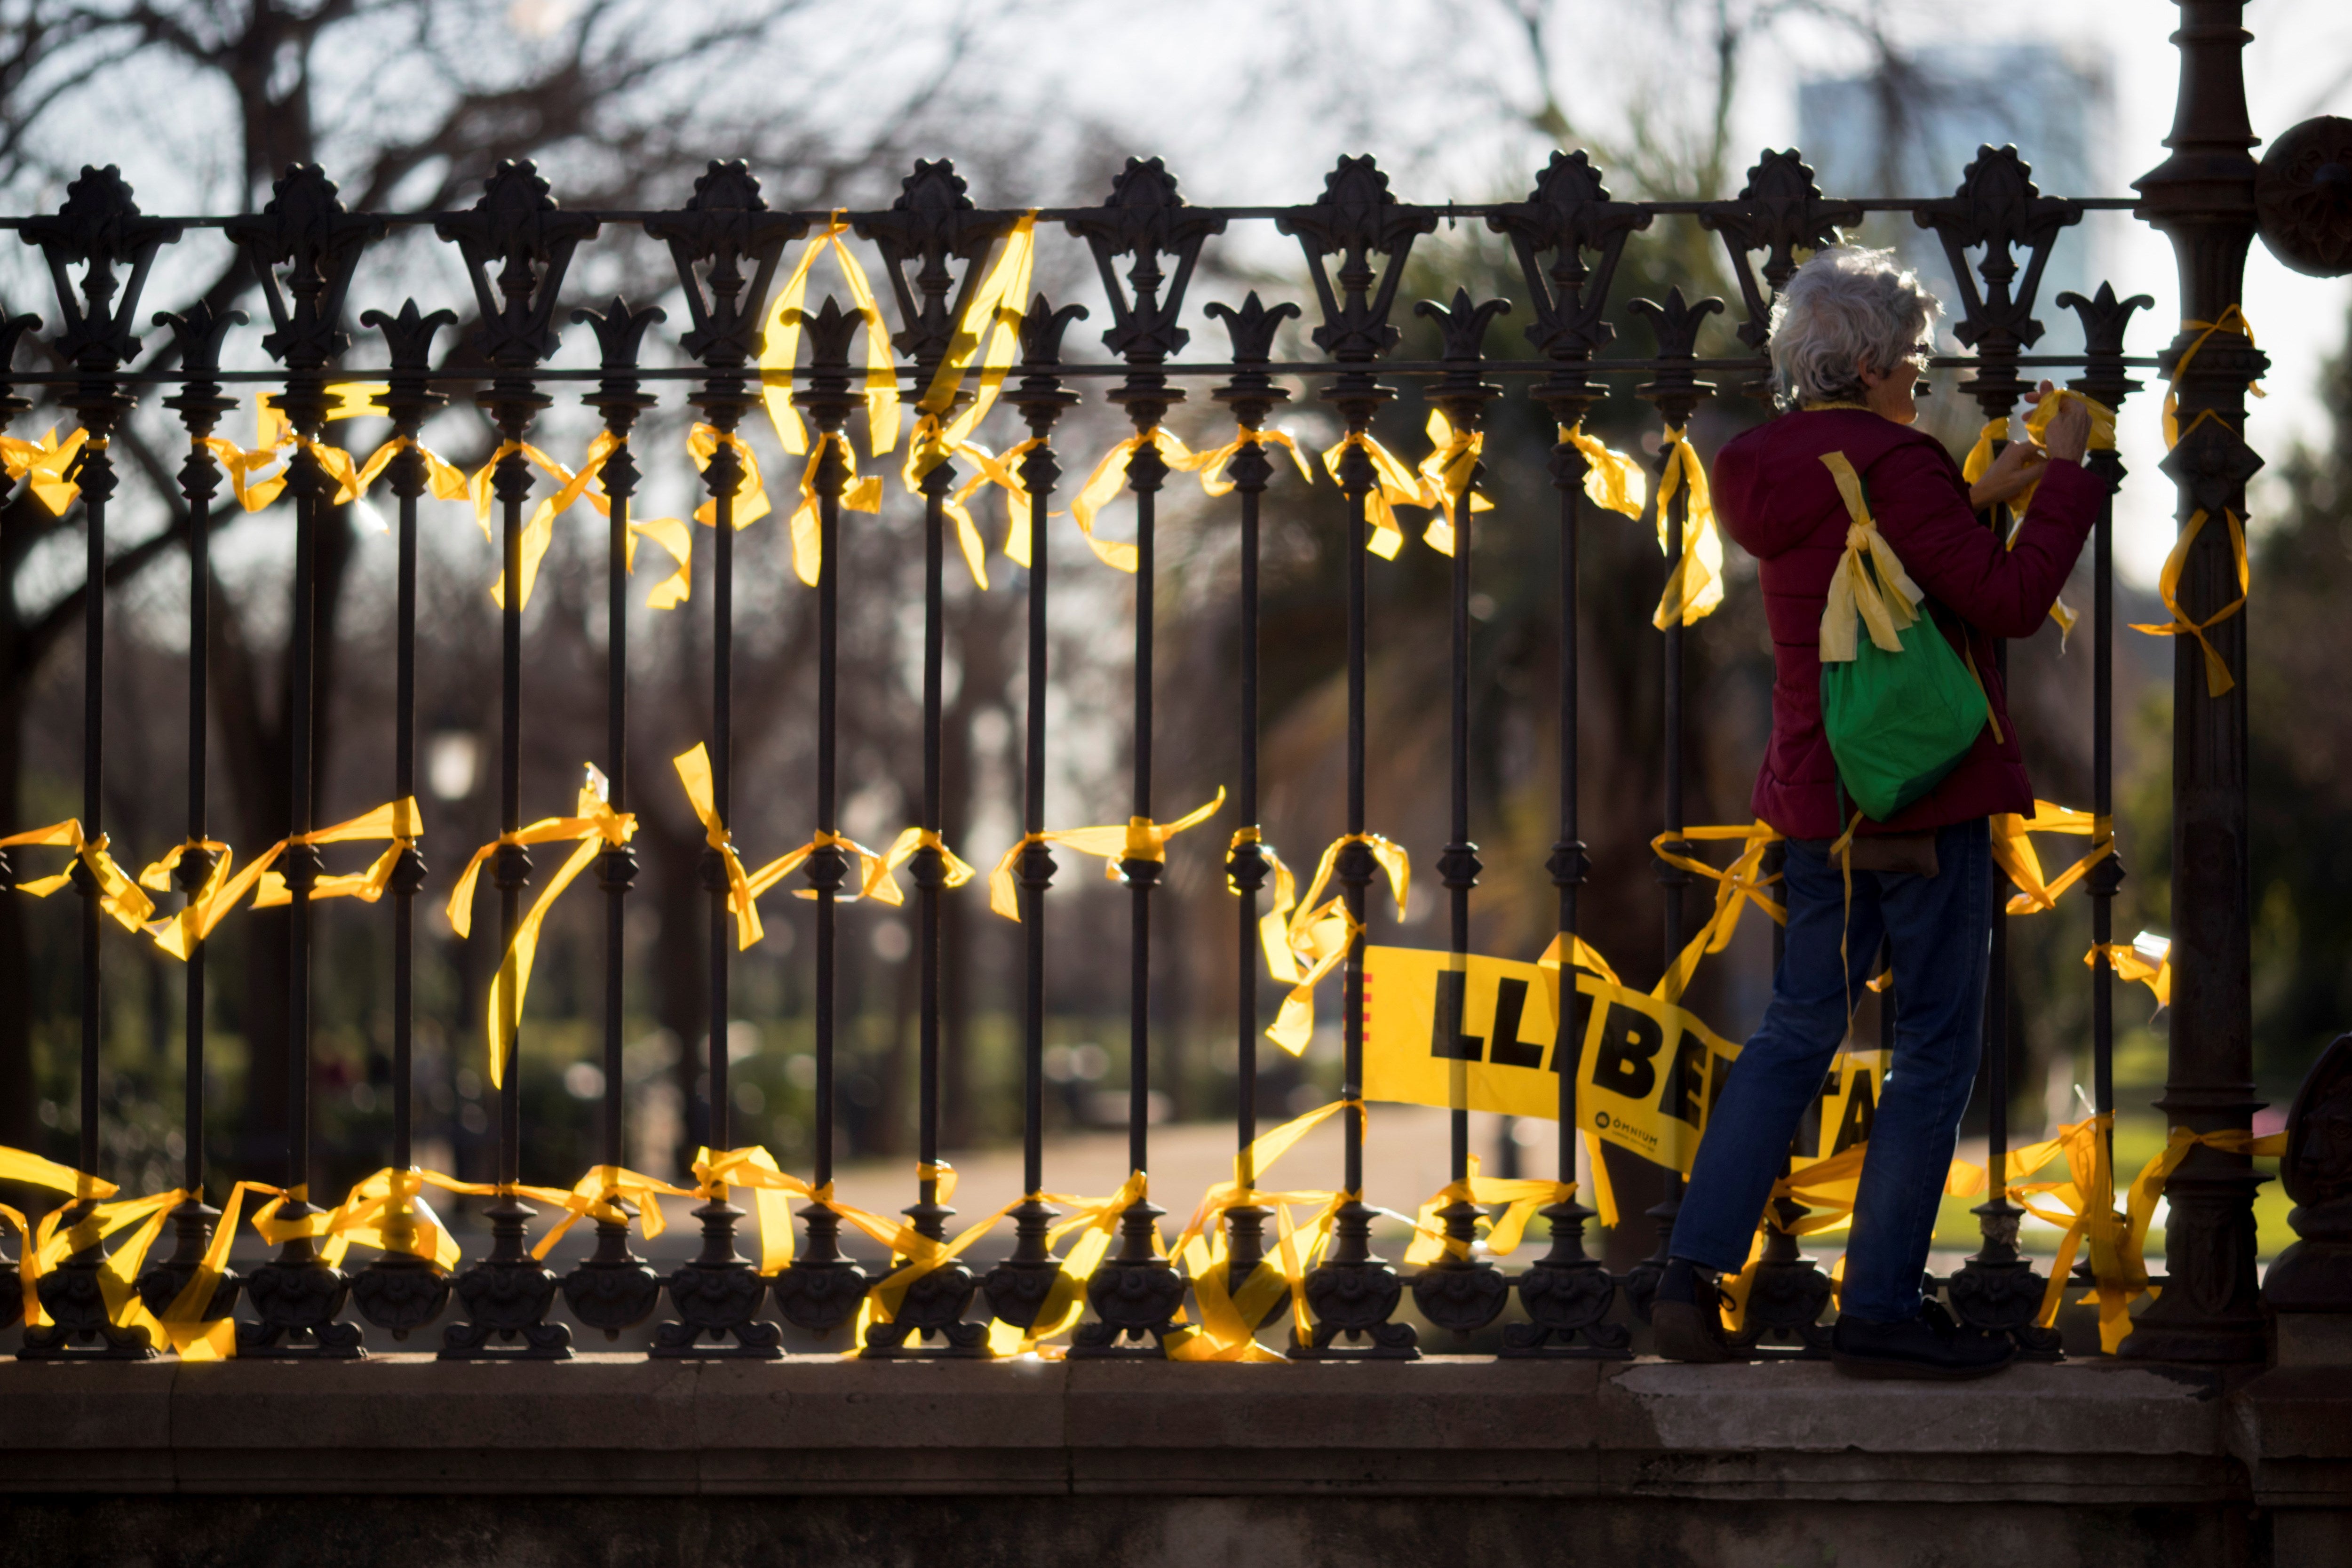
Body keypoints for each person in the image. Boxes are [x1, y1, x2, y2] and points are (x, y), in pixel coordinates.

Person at [1648, 245, 2097, 1380]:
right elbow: (2002, 598)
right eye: (1915, 360)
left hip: (1814, 799)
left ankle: (1690, 1281)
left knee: (1796, 1031)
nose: (1922, 378)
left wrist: (1984, 493)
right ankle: (1880, 1307)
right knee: (1935, 1050)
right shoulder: (1896, 461)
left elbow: (1893, 557)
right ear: (1877, 361)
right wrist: (2073, 476)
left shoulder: (1757, 468)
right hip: (1923, 792)